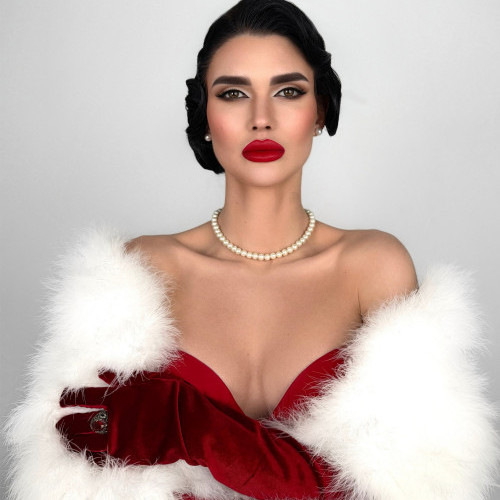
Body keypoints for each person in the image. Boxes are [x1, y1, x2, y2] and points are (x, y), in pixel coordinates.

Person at [4, 1, 497, 499]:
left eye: (288, 91)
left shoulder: (373, 268)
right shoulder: (139, 274)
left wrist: (192, 427)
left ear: (320, 111)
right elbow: (80, 474)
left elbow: (408, 484)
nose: (262, 119)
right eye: (233, 94)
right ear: (205, 114)